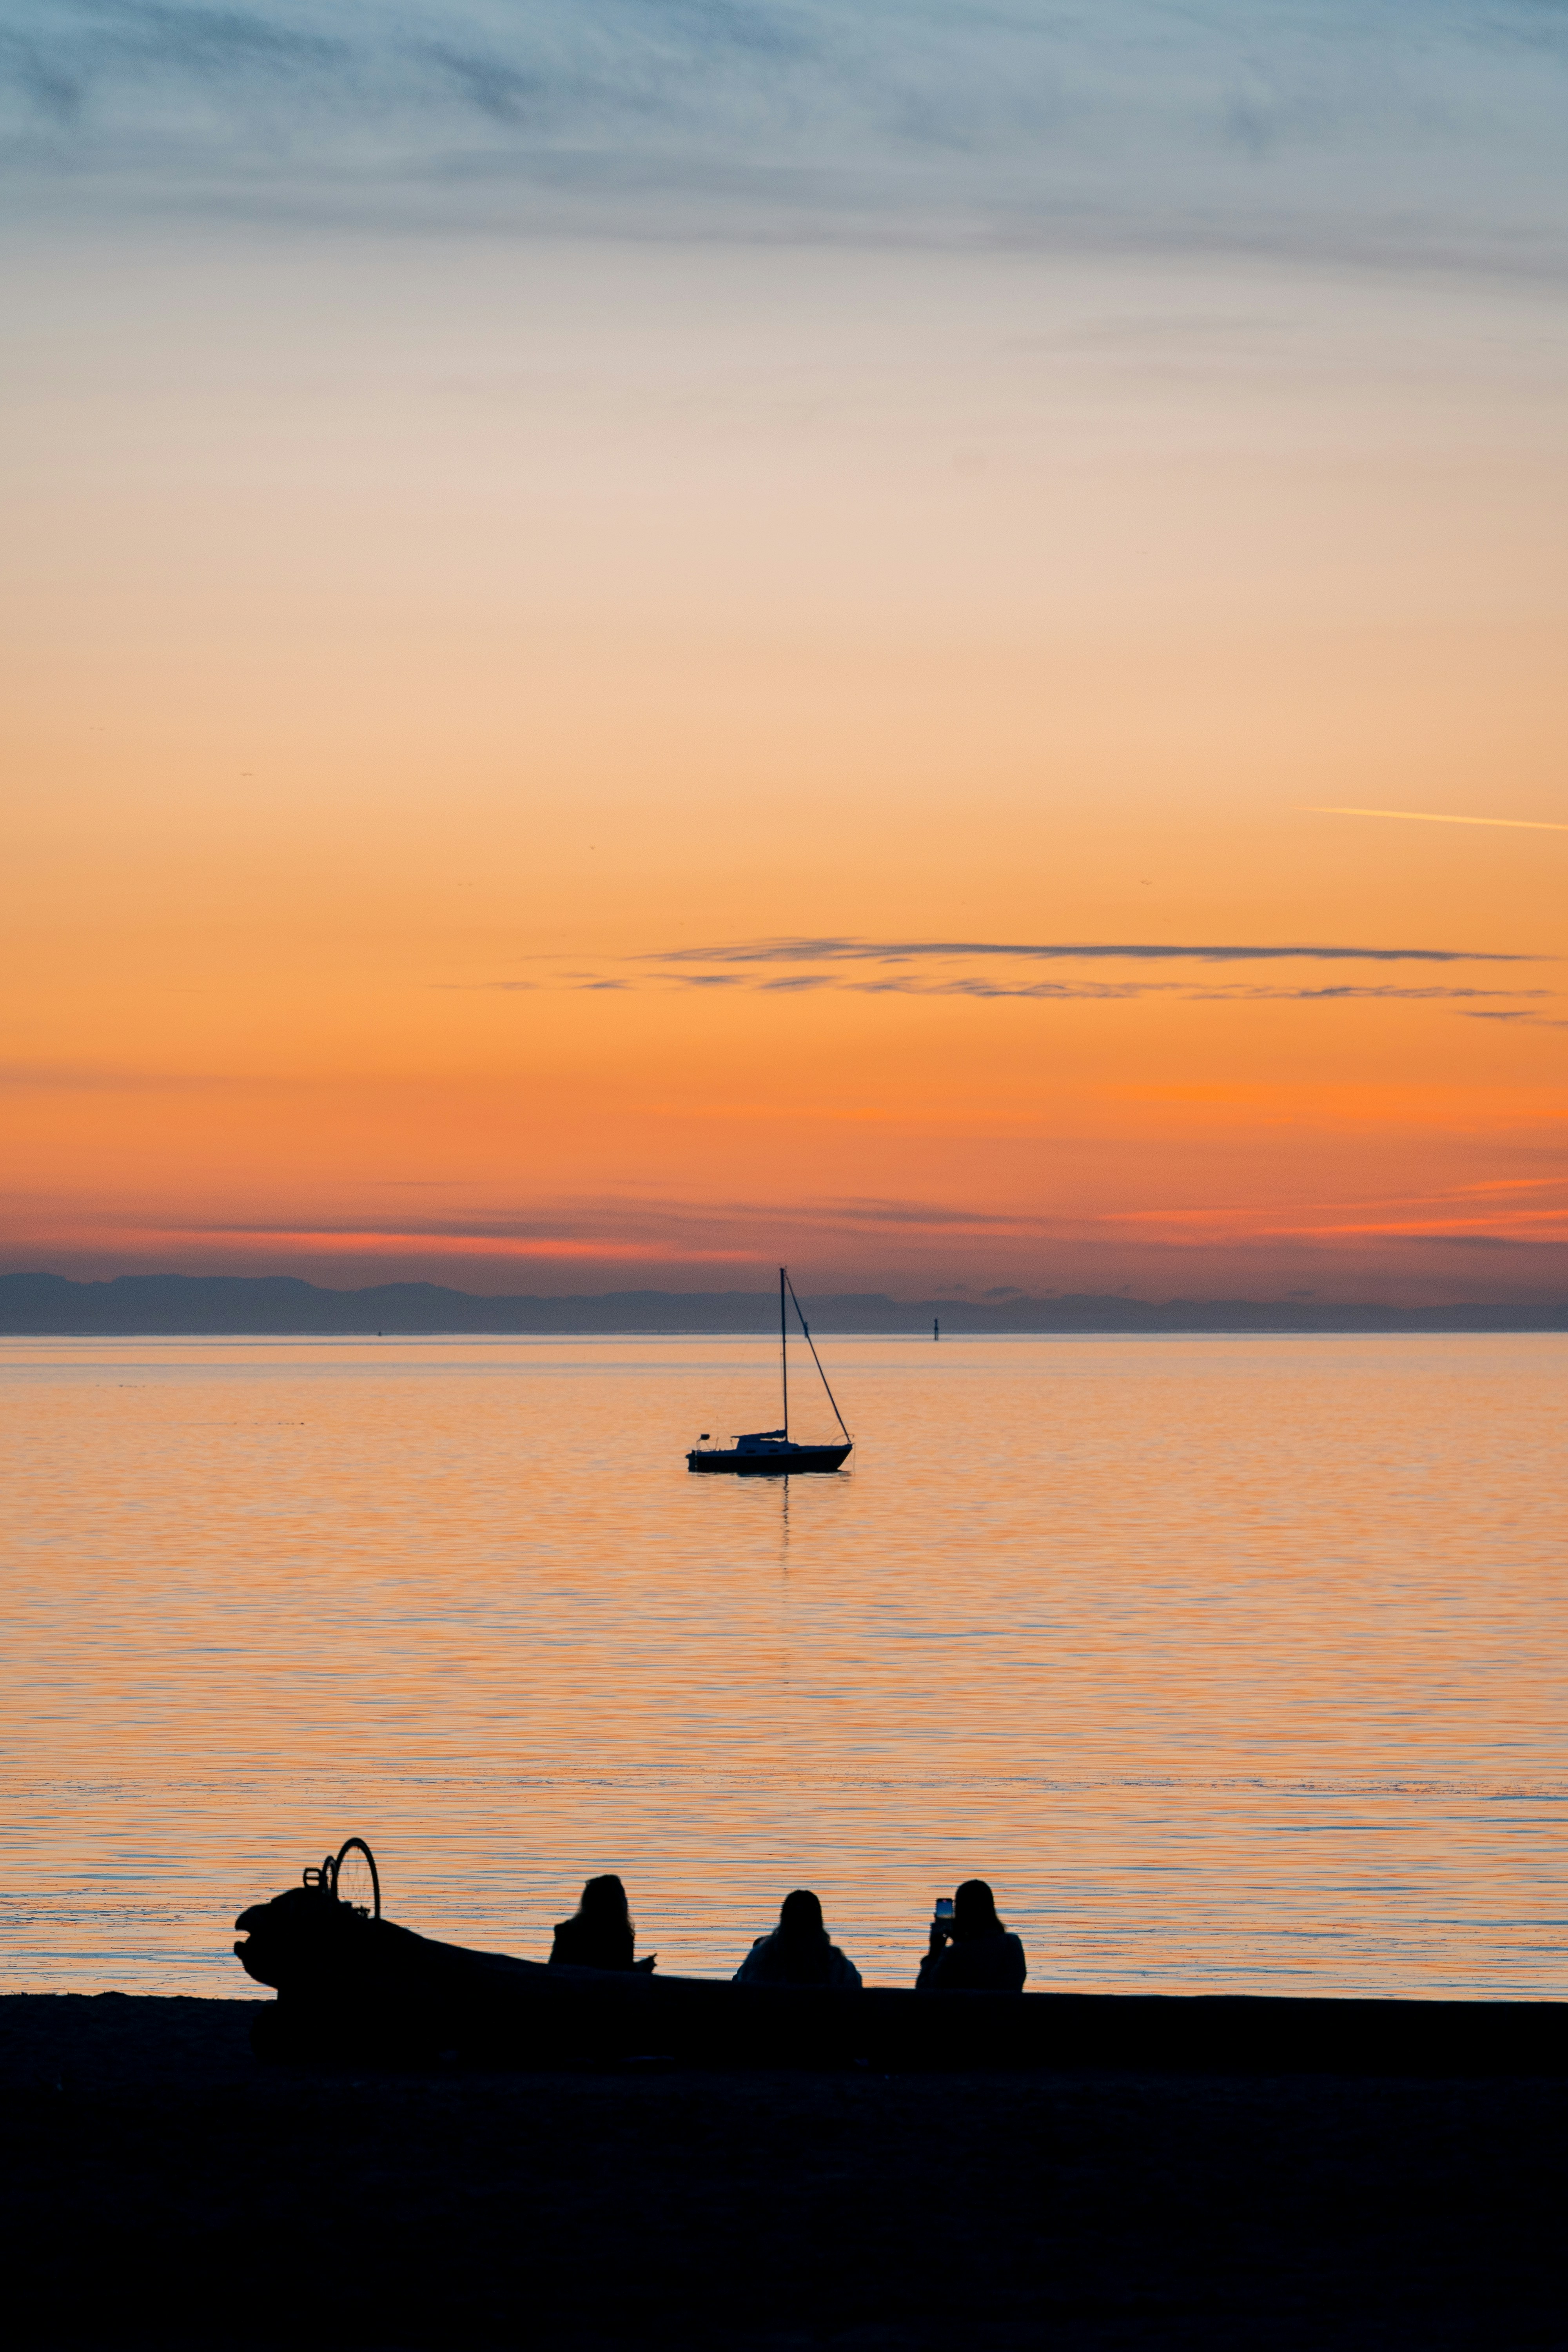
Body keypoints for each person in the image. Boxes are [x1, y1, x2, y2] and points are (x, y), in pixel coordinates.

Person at [733, 1888, 862, 1989]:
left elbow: (739, 1987)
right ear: (818, 1923)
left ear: (783, 1921)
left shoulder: (759, 1960)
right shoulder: (838, 1965)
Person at [916, 1878, 1026, 1991]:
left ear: (961, 1912)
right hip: (1007, 2009)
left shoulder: (955, 1955)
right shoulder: (1012, 1945)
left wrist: (935, 1951)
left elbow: (924, 1992)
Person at [549, 1873, 656, 1972]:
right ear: (619, 1904)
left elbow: (553, 1969)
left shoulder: (567, 1932)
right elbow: (621, 1973)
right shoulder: (621, 1938)